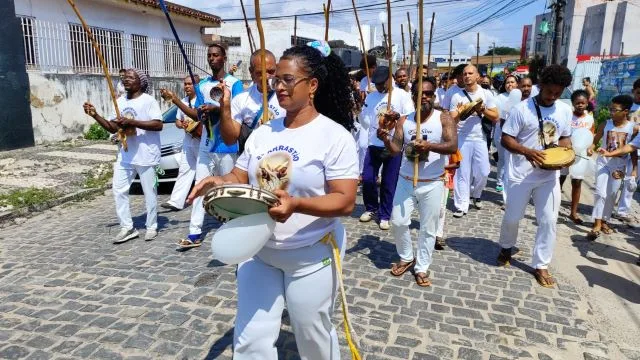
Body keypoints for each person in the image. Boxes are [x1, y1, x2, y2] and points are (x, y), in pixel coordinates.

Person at [187, 43, 359, 360]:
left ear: (312, 85)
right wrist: (219, 181)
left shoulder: (334, 137)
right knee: (251, 340)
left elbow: (345, 201)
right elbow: (240, 177)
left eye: (287, 80)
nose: (278, 86)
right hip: (259, 252)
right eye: (276, 79)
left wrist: (296, 204)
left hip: (311, 252)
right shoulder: (264, 132)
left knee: (313, 338)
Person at [497, 64, 573, 288]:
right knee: (513, 217)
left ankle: (541, 264)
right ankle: (506, 246)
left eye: (558, 93)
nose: (552, 97)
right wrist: (527, 152)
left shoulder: (564, 111)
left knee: (548, 220)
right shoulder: (522, 109)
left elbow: (565, 139)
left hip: (548, 176)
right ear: (541, 86)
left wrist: (567, 154)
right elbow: (506, 139)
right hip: (520, 174)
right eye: (549, 91)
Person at [381, 77, 457, 286]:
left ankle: (422, 266)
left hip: (432, 182)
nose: (425, 97)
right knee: (397, 221)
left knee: (428, 228)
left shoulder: (444, 118)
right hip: (406, 180)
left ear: (434, 95)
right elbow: (396, 149)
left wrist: (429, 146)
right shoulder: (404, 121)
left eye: (429, 93)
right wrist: (385, 139)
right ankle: (406, 257)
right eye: (420, 93)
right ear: (413, 96)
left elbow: (451, 146)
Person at [82, 69, 163, 243]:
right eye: (124, 77)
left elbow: (158, 125)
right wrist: (95, 115)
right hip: (126, 154)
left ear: (140, 82)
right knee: (118, 190)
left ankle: (152, 226)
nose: (126, 80)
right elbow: (112, 128)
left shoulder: (148, 101)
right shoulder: (118, 101)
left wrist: (132, 122)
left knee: (149, 192)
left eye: (131, 77)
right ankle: (127, 227)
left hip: (146, 154)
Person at [176, 44, 245, 248]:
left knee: (229, 187)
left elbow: (237, 111)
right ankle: (195, 232)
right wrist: (201, 112)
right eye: (209, 55)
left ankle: (234, 227)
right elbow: (196, 113)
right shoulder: (203, 84)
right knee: (201, 185)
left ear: (224, 58)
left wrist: (217, 109)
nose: (212, 58)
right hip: (206, 142)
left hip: (226, 144)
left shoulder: (235, 83)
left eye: (216, 55)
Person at [359, 66, 415, 230]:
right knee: (368, 178)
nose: (379, 87)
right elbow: (365, 119)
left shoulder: (402, 96)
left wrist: (396, 117)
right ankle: (371, 208)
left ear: (390, 80)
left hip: (393, 145)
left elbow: (409, 118)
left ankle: (385, 214)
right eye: (376, 84)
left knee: (389, 182)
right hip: (373, 143)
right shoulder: (371, 96)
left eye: (382, 83)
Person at [449, 64, 499, 217]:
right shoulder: (457, 95)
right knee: (462, 173)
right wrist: (460, 111)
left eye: (470, 73)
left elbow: (496, 117)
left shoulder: (487, 94)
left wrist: (482, 110)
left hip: (480, 138)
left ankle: (476, 193)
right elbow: (452, 119)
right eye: (464, 74)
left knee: (484, 171)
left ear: (477, 76)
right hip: (462, 137)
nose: (467, 76)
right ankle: (461, 205)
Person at [587, 95, 638, 240]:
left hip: (619, 167)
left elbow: (632, 149)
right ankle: (596, 224)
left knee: (611, 195)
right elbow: (595, 141)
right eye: (610, 109)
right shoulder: (605, 124)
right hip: (603, 163)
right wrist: (591, 148)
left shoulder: (632, 129)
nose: (611, 112)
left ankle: (604, 221)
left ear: (625, 111)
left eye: (614, 110)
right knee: (600, 193)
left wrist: (634, 169)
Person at [219, 49, 285, 150]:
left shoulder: (288, 95)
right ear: (251, 72)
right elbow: (230, 140)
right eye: (260, 73)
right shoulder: (241, 99)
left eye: (271, 71)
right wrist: (225, 105)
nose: (266, 77)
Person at [159, 75, 201, 211]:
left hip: (201, 140)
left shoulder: (201, 100)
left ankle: (202, 200)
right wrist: (181, 124)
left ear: (197, 85)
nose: (187, 86)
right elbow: (177, 121)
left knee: (203, 172)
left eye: (190, 84)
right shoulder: (183, 101)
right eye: (185, 84)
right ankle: (176, 201)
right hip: (188, 139)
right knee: (184, 170)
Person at [559, 90, 594, 224]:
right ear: (573, 104)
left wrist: (591, 147)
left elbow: (591, 134)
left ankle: (573, 212)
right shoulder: (567, 116)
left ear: (587, 103)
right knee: (560, 179)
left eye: (583, 103)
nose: (580, 105)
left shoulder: (589, 118)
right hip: (566, 151)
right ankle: (554, 207)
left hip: (581, 154)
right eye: (577, 103)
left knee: (577, 181)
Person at [614, 78, 640, 223]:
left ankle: (623, 210)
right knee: (616, 177)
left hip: (637, 150)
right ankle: (609, 203)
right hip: (623, 147)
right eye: (638, 93)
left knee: (631, 180)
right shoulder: (628, 107)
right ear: (633, 91)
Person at [493, 75, 520, 196]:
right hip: (501, 131)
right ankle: (500, 181)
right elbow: (496, 116)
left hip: (517, 134)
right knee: (502, 159)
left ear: (516, 84)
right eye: (507, 82)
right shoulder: (499, 98)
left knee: (513, 160)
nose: (510, 84)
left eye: (512, 82)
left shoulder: (521, 98)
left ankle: (512, 183)